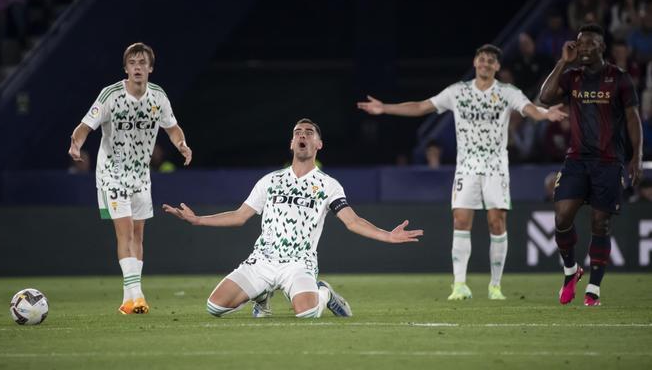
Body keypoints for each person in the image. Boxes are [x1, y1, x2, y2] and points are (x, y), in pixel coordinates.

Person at [357, 44, 567, 301]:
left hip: (495, 168)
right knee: (460, 221)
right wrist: (385, 108)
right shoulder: (458, 92)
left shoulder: (507, 93)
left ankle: (495, 286)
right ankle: (459, 285)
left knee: (496, 223)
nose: (486, 63)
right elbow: (422, 106)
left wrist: (546, 114)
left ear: (497, 67)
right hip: (466, 168)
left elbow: (530, 110)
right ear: (475, 62)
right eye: (482, 59)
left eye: (491, 60)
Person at [163, 118, 423, 319]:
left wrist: (387, 235)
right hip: (262, 260)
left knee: (307, 313)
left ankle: (325, 294)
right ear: (291, 143)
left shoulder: (327, 185)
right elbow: (240, 216)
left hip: (298, 264)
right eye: (298, 132)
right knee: (213, 307)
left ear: (319, 144)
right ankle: (262, 295)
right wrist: (198, 220)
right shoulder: (271, 180)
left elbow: (352, 221)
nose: (302, 135)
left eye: (309, 133)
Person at [68, 42, 192, 315]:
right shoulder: (111, 95)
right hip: (111, 173)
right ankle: (137, 295)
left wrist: (181, 144)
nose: (137, 67)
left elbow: (172, 128)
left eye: (142, 62)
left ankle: (128, 301)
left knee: (138, 235)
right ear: (126, 69)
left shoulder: (157, 96)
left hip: (140, 176)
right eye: (132, 63)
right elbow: (85, 126)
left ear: (150, 68)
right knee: (124, 231)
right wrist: (76, 144)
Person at [539, 24, 643, 306]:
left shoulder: (619, 79)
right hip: (576, 159)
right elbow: (545, 98)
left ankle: (593, 290)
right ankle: (571, 271)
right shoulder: (572, 77)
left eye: (590, 44)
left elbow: (633, 118)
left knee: (601, 223)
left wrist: (636, 156)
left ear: (602, 47)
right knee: (561, 217)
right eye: (580, 43)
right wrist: (563, 61)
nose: (584, 48)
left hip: (608, 161)